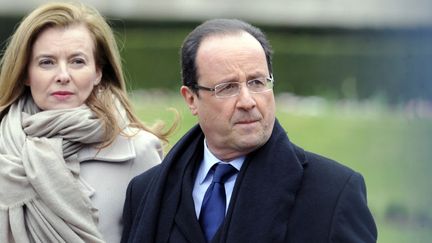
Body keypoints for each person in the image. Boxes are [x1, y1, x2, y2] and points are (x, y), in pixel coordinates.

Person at [121, 19, 377, 243]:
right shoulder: (144, 192)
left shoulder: (334, 193)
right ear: (191, 99)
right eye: (228, 87)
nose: (248, 101)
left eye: (257, 82)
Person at [0, 2, 173, 243]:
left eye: (77, 61)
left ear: (98, 72)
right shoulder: (3, 148)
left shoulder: (139, 151)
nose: (62, 75)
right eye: (47, 62)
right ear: (25, 73)